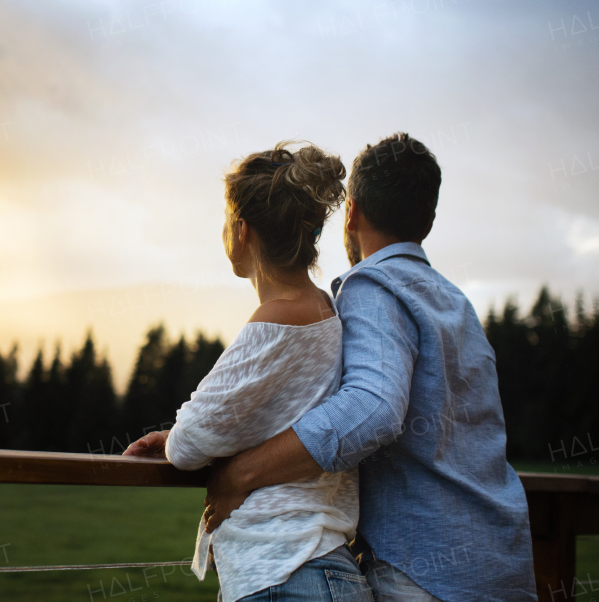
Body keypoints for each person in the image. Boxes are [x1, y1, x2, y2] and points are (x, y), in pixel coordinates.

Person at [197, 133, 537, 601]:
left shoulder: (372, 287)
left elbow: (373, 407)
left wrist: (241, 473)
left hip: (428, 571)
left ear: (351, 213)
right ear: (428, 220)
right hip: (502, 561)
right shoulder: (454, 303)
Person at [124, 141, 373, 602]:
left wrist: (175, 438)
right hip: (323, 569)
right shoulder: (324, 309)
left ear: (241, 231)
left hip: (285, 576)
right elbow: (264, 414)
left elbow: (194, 438)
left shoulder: (275, 321)